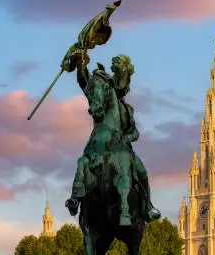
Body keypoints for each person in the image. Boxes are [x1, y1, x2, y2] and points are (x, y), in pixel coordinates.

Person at [66, 50, 161, 222]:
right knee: (82, 162)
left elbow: (134, 132)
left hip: (121, 148)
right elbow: (84, 81)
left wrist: (126, 138)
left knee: (140, 170)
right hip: (97, 145)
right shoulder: (99, 99)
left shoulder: (126, 110)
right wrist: (80, 64)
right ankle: (75, 198)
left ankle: (148, 206)